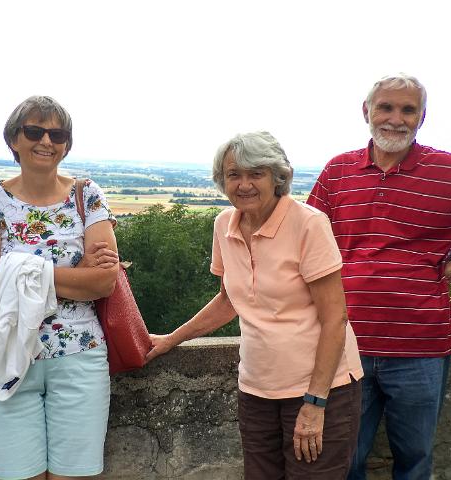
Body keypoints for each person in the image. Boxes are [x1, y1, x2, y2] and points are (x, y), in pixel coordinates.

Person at [306, 74, 451, 480]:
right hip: (345, 344)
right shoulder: (338, 171)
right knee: (344, 461)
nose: (396, 118)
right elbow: (306, 240)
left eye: (408, 110)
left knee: (414, 461)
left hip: (421, 347)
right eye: (386, 107)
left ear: (421, 118)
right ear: (367, 111)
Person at [147, 131, 364, 479]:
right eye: (234, 174)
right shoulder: (224, 224)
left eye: (256, 173)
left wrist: (315, 402)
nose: (244, 184)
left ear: (277, 177)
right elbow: (228, 300)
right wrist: (171, 339)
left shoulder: (308, 224)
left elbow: (335, 318)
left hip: (321, 389)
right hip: (256, 389)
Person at [0, 95, 119, 480]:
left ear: (67, 144)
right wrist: (76, 275)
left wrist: (17, 274)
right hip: (5, 354)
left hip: (78, 355)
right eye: (34, 131)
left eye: (57, 134)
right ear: (13, 139)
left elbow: (104, 281)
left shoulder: (87, 194)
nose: (46, 141)